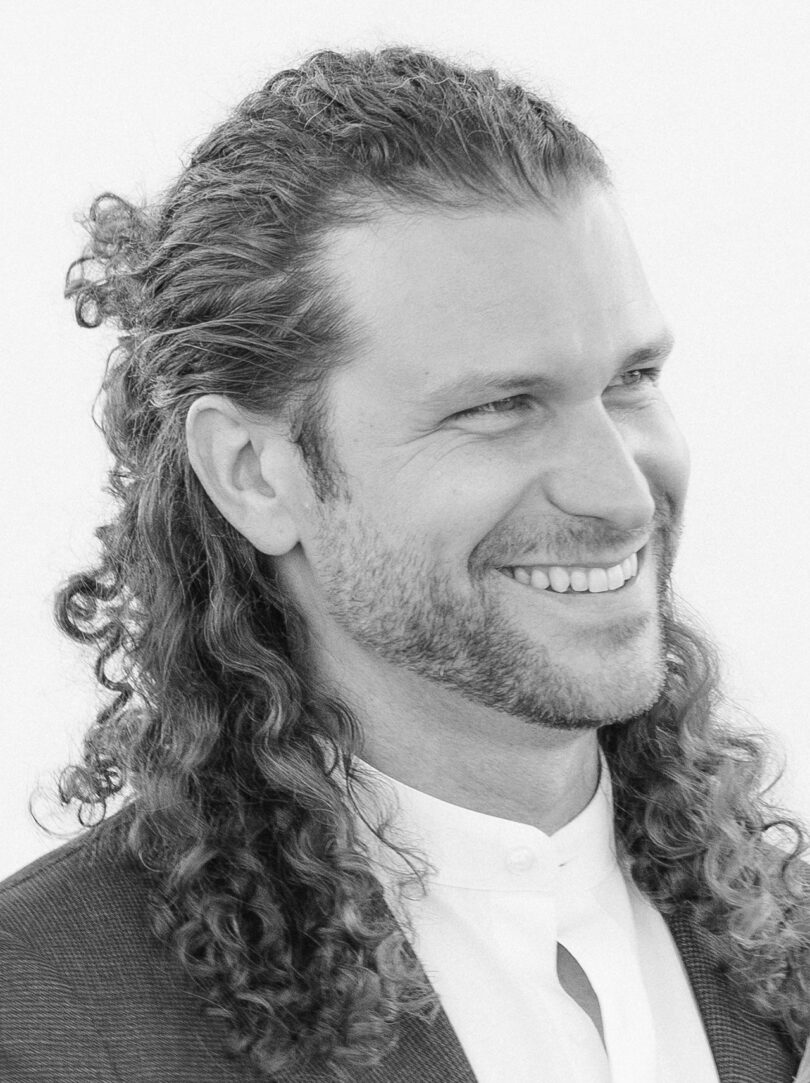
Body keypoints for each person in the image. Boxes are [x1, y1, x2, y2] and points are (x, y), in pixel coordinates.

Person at [0, 46, 807, 1083]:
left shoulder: (778, 948)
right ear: (253, 472)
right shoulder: (42, 1024)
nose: (618, 494)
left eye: (633, 378)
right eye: (498, 407)